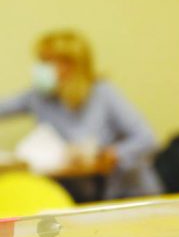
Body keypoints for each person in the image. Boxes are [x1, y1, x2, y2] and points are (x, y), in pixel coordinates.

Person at [0, 30, 162, 202]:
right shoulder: (38, 97)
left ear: (70, 64)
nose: (39, 68)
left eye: (46, 61)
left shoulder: (103, 93)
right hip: (78, 194)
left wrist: (113, 155)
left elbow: (147, 139)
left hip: (124, 193)